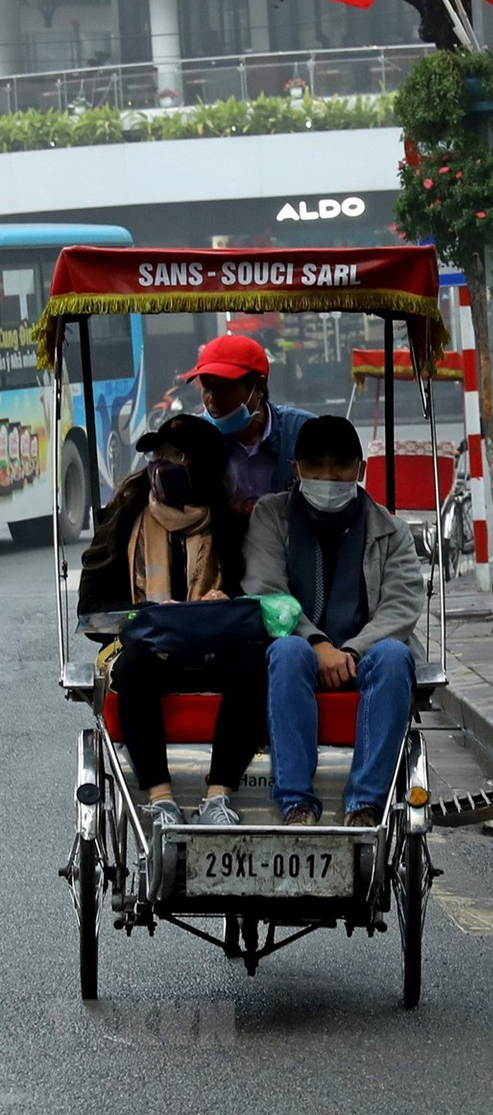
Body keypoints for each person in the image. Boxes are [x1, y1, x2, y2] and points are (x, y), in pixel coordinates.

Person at [77, 415, 268, 826]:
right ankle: (161, 801)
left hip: (217, 655)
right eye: (156, 455)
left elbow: (264, 603)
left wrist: (226, 602)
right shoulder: (121, 521)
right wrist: (148, 616)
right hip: (151, 656)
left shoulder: (236, 528)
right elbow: (91, 615)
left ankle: (218, 799)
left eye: (174, 456)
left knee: (255, 661)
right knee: (134, 666)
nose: (160, 465)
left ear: (201, 468)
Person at [241, 415, 422, 827]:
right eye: (315, 467)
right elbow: (266, 590)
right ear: (296, 470)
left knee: (396, 656)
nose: (328, 477)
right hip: (299, 648)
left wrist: (351, 651)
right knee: (286, 651)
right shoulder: (271, 516)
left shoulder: (391, 530)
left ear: (360, 470)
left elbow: (401, 606)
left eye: (340, 466)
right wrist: (317, 643)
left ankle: (365, 805)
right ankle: (296, 804)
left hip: (366, 653)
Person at [179, 334, 314, 515]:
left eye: (224, 388)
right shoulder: (193, 442)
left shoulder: (304, 432)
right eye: (207, 388)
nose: (212, 400)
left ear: (259, 386)